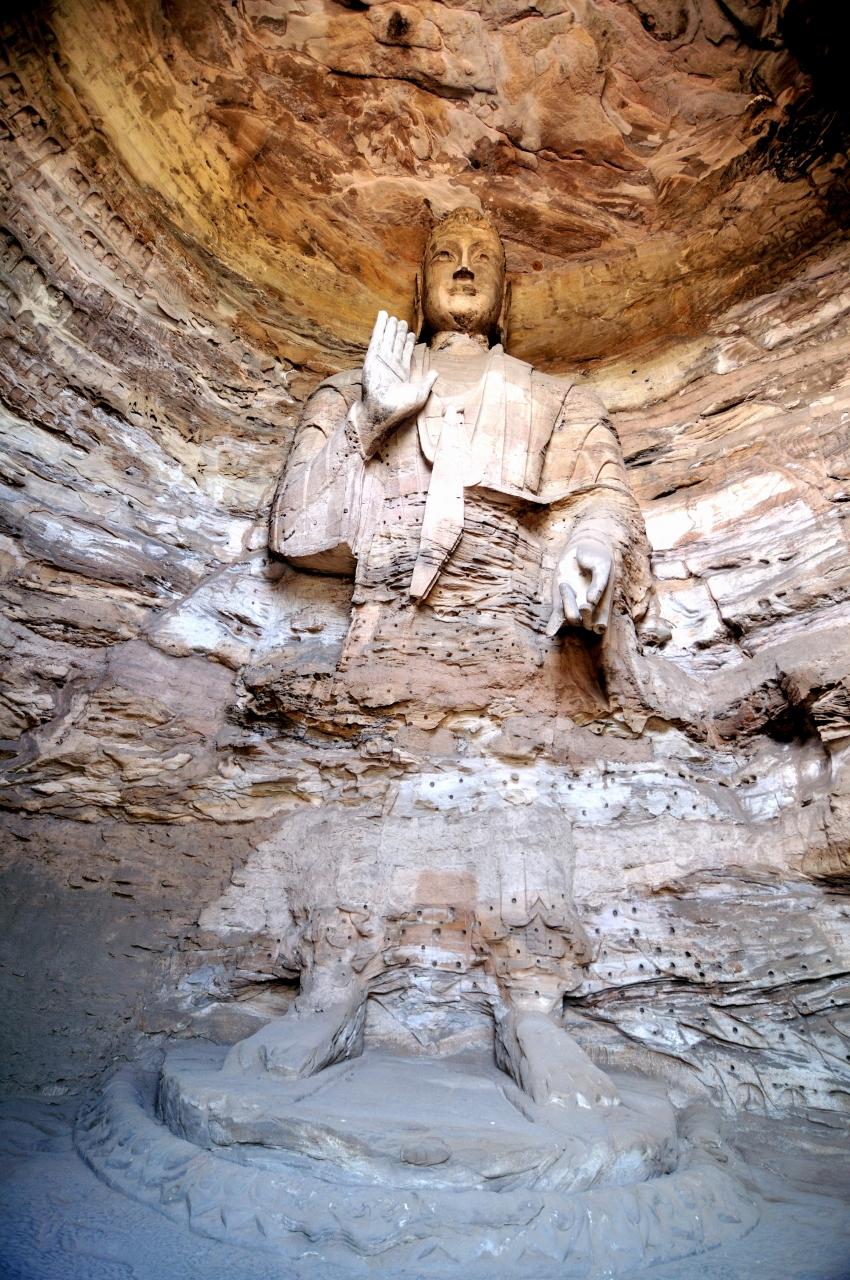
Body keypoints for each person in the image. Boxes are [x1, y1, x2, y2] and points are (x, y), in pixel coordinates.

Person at [270, 206, 648, 718]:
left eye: (482, 258)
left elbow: (605, 500)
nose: (464, 269)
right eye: (446, 256)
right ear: (420, 288)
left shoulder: (561, 399)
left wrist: (594, 543)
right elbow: (292, 532)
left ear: (505, 296)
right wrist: (370, 418)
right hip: (378, 641)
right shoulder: (346, 392)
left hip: (519, 642)